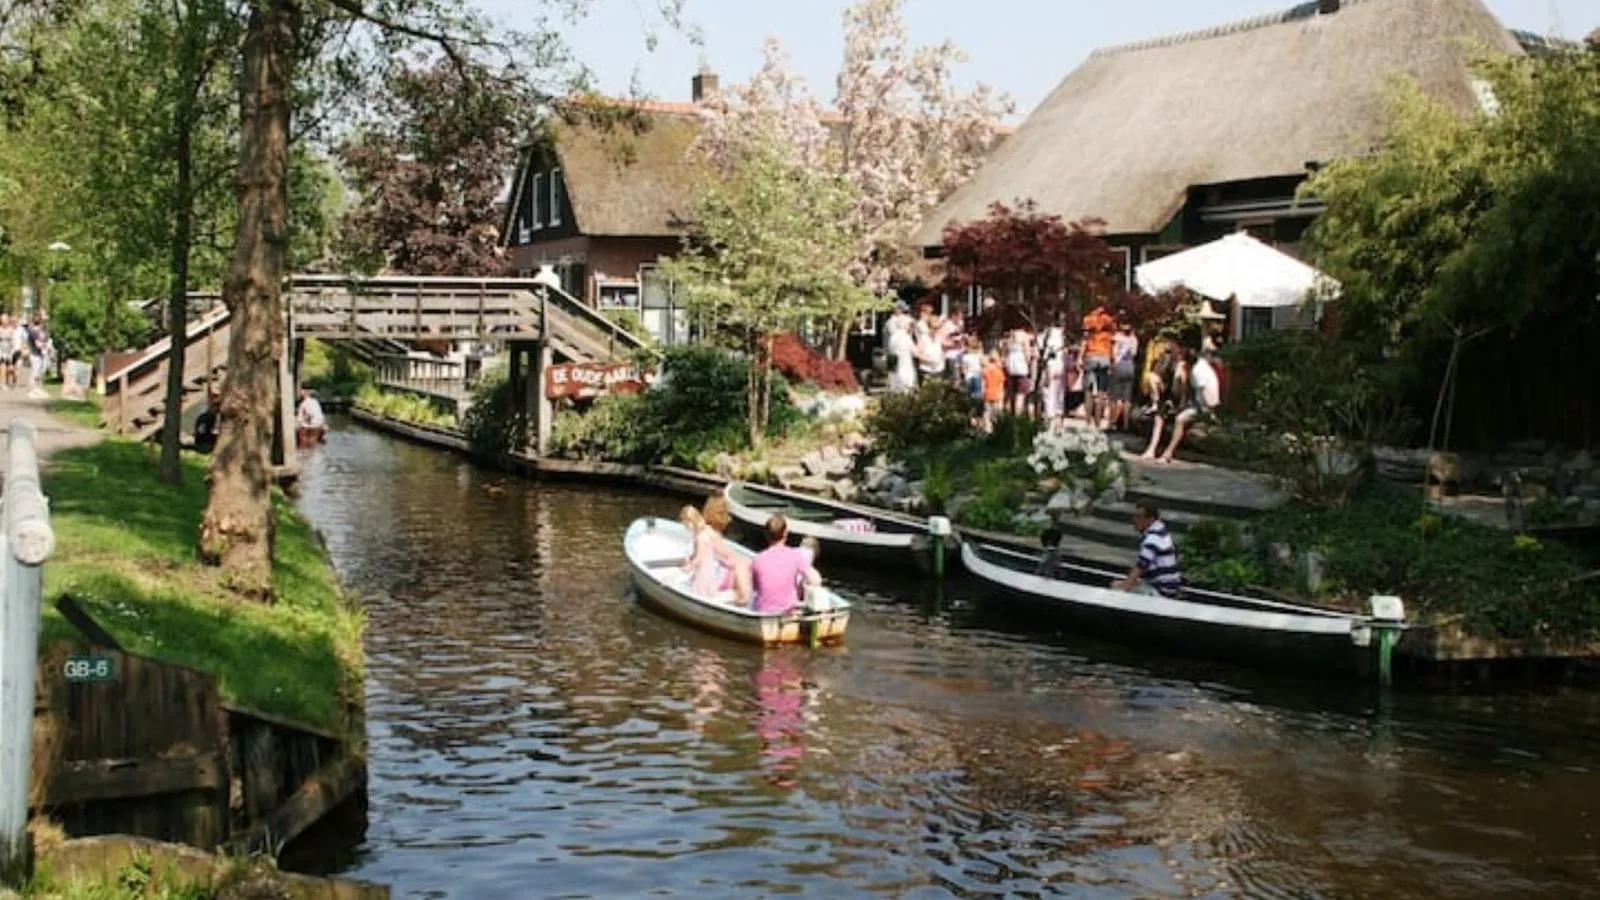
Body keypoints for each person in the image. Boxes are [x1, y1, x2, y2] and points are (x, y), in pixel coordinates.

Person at [1154, 348, 1220, 464]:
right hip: (1201, 404)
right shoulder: (1202, 366)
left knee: (1180, 419)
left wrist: (1211, 411)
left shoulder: (1197, 371)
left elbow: (1205, 392)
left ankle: (1168, 453)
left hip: (1204, 406)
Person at [749, 515, 821, 615]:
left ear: (766, 534)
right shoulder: (795, 556)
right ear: (786, 533)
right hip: (789, 612)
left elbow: (755, 588)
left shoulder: (757, 559)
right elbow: (816, 580)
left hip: (763, 611)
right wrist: (801, 586)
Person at [1112, 501, 1182, 598]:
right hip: (1167, 587)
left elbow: (1141, 566)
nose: (1134, 520)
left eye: (1138, 517)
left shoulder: (1152, 539)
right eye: (1134, 516)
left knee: (1116, 588)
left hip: (1162, 592)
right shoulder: (1161, 530)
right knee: (1121, 584)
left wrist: (1123, 589)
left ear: (1150, 519)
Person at [703, 496, 753, 605]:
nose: (729, 519)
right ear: (718, 515)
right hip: (714, 580)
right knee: (742, 565)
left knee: (743, 565)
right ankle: (744, 598)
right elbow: (728, 557)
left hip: (713, 575)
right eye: (727, 515)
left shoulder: (705, 531)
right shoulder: (713, 535)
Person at [1081, 305, 1116, 428]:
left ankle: (1087, 422)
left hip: (1091, 354)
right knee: (1102, 392)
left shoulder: (1088, 319)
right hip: (1105, 356)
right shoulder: (1108, 320)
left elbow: (1085, 340)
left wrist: (1080, 357)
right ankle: (1098, 423)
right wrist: (1112, 361)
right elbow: (1112, 344)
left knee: (1088, 391)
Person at [1109, 323, 1139, 431]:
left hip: (1119, 365)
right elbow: (1134, 353)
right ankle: (1126, 424)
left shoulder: (1117, 337)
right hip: (1130, 366)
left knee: (1114, 397)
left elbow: (1112, 352)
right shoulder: (1134, 339)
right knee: (1127, 398)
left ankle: (1113, 422)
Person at [885, 315, 917, 394]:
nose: (911, 327)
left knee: (895, 392)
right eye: (910, 325)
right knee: (907, 392)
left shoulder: (893, 337)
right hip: (906, 368)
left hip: (894, 369)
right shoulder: (906, 338)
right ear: (905, 325)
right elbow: (915, 352)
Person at [980, 350, 1006, 432]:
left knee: (987, 412)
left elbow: (982, 384)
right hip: (997, 394)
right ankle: (997, 428)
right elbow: (1001, 385)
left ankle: (987, 428)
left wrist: (982, 393)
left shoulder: (984, 371)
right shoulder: (999, 372)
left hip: (987, 394)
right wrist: (1001, 395)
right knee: (996, 413)